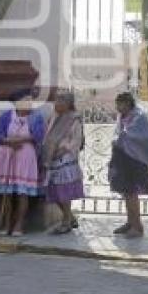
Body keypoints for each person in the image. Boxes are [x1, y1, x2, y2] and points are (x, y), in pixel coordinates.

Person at [0, 88, 46, 237]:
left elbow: (38, 136)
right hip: (7, 156)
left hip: (26, 156)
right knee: (7, 192)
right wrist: (8, 142)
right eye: (26, 100)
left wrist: (20, 140)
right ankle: (7, 222)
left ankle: (19, 224)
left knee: (22, 192)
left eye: (31, 100)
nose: (29, 103)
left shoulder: (36, 117)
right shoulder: (7, 116)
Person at [109, 92, 148, 238]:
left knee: (132, 193)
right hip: (123, 159)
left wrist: (121, 138)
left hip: (135, 160)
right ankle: (130, 222)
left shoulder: (139, 117)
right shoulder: (123, 116)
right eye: (117, 104)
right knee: (126, 193)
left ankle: (137, 227)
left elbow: (144, 135)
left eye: (120, 104)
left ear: (128, 103)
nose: (117, 107)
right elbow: (120, 134)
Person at [42, 91, 85, 235]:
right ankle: (70, 217)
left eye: (61, 101)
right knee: (53, 190)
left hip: (65, 159)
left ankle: (66, 221)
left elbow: (76, 141)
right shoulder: (53, 117)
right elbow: (47, 135)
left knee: (63, 190)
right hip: (51, 158)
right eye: (56, 101)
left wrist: (62, 151)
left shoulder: (74, 119)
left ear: (68, 104)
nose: (57, 104)